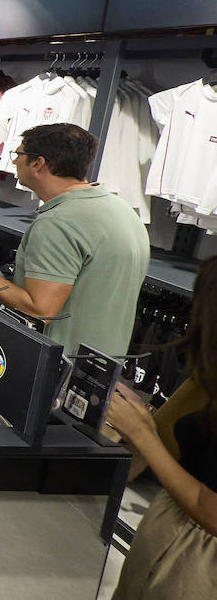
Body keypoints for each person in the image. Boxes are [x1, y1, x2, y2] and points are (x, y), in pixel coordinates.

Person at [0, 124, 149, 356]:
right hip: (99, 368)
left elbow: (38, 310)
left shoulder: (59, 223)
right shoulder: (122, 211)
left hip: (58, 371)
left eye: (18, 155)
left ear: (38, 163)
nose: (13, 162)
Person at [107, 255, 217, 598]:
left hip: (194, 559)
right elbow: (166, 430)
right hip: (175, 539)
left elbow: (212, 511)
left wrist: (142, 433)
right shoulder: (207, 376)